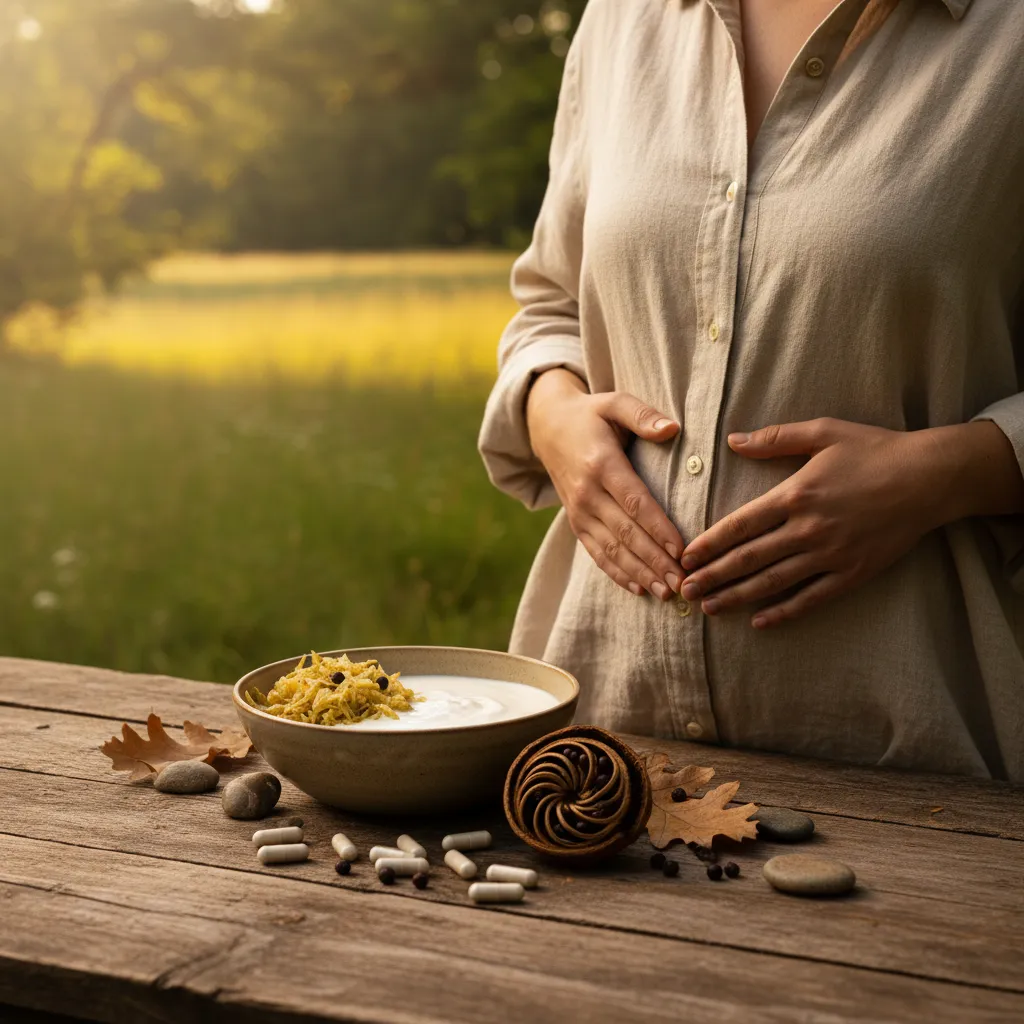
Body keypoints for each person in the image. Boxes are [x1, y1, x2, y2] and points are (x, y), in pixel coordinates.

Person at [478, 0, 1024, 782]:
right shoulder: (623, 17)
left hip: (927, 776)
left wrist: (946, 473)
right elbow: (552, 305)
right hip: (596, 749)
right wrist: (552, 414)